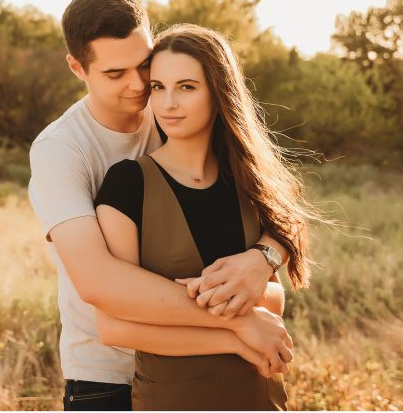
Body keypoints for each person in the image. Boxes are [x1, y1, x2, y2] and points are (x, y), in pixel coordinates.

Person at [28, 0, 295, 412]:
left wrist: (262, 258)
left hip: (204, 369)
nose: (139, 87)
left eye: (144, 66)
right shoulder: (61, 149)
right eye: (116, 74)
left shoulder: (173, 106)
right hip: (107, 376)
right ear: (78, 68)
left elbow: (281, 207)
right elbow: (98, 282)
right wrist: (240, 322)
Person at [94, 24, 309, 410]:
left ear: (219, 92)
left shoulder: (248, 180)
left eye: (186, 87)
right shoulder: (127, 184)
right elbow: (114, 326)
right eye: (158, 87)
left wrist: (260, 266)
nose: (168, 103)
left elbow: (275, 296)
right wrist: (236, 333)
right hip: (173, 400)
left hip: (259, 395)